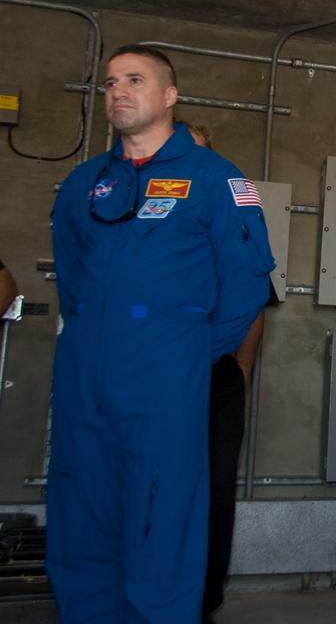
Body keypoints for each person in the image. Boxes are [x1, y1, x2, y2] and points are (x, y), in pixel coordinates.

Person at [47, 45, 275, 621]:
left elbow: (248, 283)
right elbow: (70, 271)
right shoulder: (85, 183)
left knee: (161, 511)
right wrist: (98, 332)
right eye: (110, 82)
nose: (118, 90)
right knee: (82, 508)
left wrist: (191, 349)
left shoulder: (215, 177)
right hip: (84, 374)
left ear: (169, 96)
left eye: (135, 79)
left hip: (167, 374)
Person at [183, 121, 269, 623]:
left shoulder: (229, 210)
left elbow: (255, 298)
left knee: (213, 488)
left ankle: (202, 602)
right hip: (158, 373)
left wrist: (238, 371)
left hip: (215, 375)